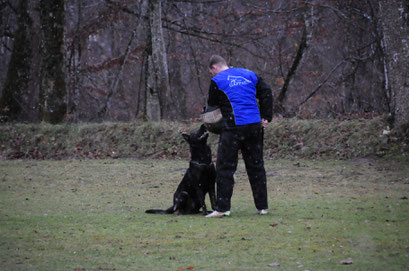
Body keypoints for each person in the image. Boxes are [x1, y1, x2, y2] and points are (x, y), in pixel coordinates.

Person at [205, 55, 273, 218]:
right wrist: (266, 116)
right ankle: (262, 207)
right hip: (254, 126)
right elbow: (267, 92)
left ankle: (222, 208)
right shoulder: (249, 74)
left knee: (225, 167)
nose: (211, 75)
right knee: (256, 165)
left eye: (210, 72)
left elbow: (212, 103)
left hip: (233, 127)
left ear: (214, 68)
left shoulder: (217, 81)